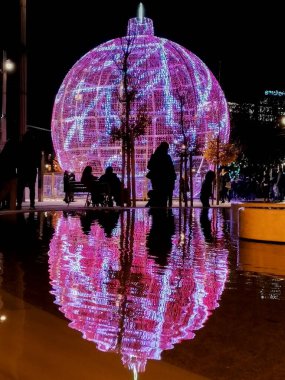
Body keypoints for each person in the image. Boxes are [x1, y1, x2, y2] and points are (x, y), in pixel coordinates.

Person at [16, 131, 41, 210]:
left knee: (20, 187)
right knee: (32, 187)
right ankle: (32, 204)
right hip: (31, 169)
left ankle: (19, 204)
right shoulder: (35, 146)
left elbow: (18, 157)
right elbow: (38, 158)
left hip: (22, 169)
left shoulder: (21, 145)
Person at [146, 141, 176, 207]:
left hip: (156, 178)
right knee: (163, 195)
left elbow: (149, 166)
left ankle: (156, 208)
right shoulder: (167, 157)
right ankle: (162, 210)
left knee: (158, 193)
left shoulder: (155, 156)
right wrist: (173, 176)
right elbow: (171, 168)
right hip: (164, 179)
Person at [0, 138, 18, 210]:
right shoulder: (13, 153)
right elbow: (15, 163)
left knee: (5, 189)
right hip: (11, 173)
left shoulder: (4, 153)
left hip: (4, 174)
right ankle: (11, 206)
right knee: (11, 189)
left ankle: (9, 205)